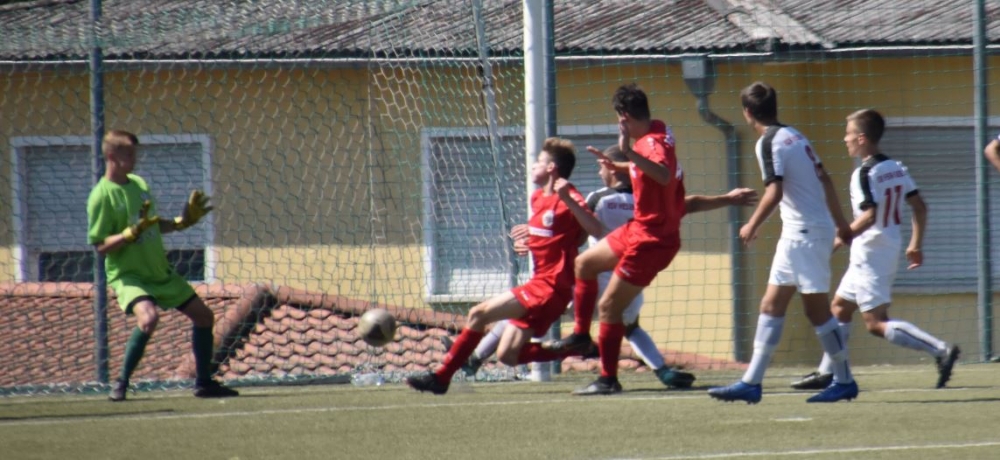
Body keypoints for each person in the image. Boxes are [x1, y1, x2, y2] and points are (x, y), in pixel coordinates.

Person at [442, 145, 758, 389]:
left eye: (601, 167)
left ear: (613, 170)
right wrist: (728, 198)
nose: (599, 171)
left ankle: (475, 358)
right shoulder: (650, 201)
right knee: (631, 326)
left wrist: (538, 240)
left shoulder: (598, 198)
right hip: (631, 284)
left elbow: (578, 234)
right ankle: (662, 370)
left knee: (522, 306)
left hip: (588, 287)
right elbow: (690, 203)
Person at [707, 81, 858, 404]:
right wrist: (841, 224)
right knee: (771, 305)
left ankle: (844, 380)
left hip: (804, 234)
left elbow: (774, 191)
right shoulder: (796, 135)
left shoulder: (768, 142)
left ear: (747, 112)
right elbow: (825, 179)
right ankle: (751, 382)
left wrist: (752, 224)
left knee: (817, 311)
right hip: (799, 234)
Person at [407, 137, 594, 395]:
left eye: (538, 162)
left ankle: (441, 377)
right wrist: (531, 241)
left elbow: (592, 229)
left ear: (551, 168)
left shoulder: (569, 195)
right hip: (541, 285)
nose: (533, 166)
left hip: (551, 287)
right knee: (508, 355)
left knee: (478, 313)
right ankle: (574, 348)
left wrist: (569, 202)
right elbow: (557, 234)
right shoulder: (538, 198)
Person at [789, 109, 960, 391]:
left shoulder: (863, 173)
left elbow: (869, 216)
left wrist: (838, 239)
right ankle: (827, 372)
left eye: (848, 133)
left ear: (861, 138)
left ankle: (941, 350)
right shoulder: (895, 167)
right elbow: (920, 206)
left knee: (876, 322)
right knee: (840, 307)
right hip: (880, 249)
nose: (844, 139)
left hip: (871, 253)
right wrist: (915, 244)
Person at [543, 84, 687, 396]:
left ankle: (608, 379)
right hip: (639, 227)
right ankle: (581, 335)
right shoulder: (659, 128)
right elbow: (654, 170)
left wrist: (627, 150)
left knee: (609, 307)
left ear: (623, 117)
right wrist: (618, 165)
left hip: (653, 241)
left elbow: (663, 174)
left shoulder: (650, 144)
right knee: (585, 264)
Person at [87, 130, 238, 401]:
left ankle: (204, 383)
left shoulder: (138, 184)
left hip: (159, 272)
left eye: (135, 153)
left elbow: (153, 226)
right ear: (111, 156)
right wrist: (129, 234)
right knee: (149, 319)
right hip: (129, 276)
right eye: (128, 154)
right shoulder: (101, 196)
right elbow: (100, 246)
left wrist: (182, 222)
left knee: (204, 317)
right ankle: (121, 383)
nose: (134, 159)